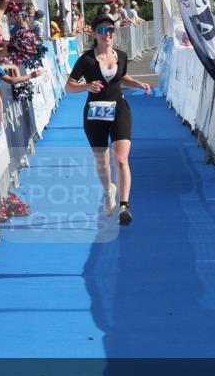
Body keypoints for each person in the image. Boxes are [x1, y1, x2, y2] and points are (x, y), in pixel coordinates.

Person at [65, 16, 151, 226]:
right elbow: (69, 86)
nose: (108, 34)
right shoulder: (86, 59)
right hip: (95, 113)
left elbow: (122, 76)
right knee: (102, 163)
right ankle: (108, 191)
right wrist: (86, 87)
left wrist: (137, 83)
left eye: (110, 30)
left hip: (119, 109)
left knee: (121, 160)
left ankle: (124, 206)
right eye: (102, 30)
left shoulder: (121, 55)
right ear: (95, 35)